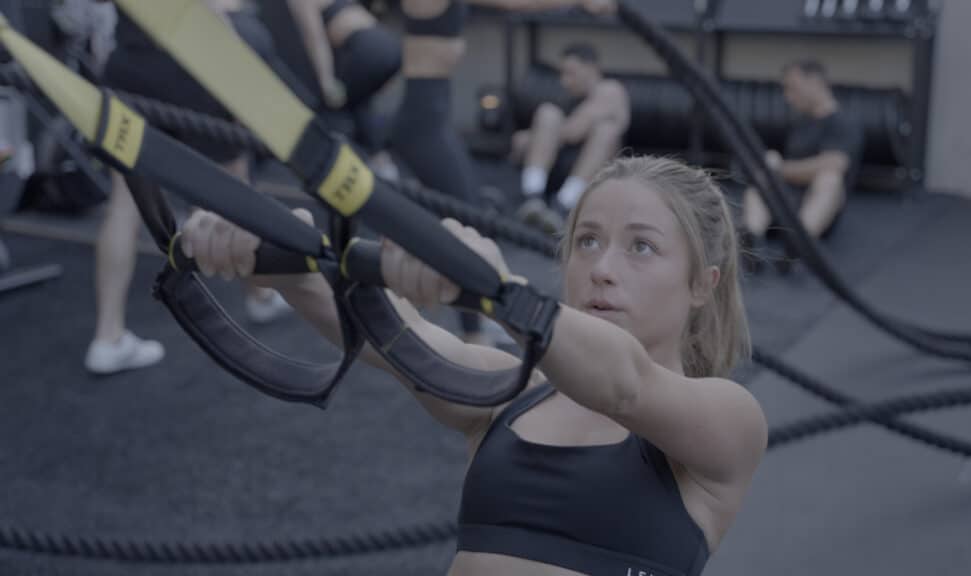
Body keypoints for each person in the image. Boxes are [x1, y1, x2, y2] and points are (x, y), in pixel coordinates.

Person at [179, 155, 767, 575]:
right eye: (587, 241)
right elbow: (393, 331)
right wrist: (272, 253)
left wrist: (499, 292)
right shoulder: (510, 393)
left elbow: (625, 384)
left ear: (701, 285)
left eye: (641, 246)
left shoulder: (727, 420)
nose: (603, 268)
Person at [83, 0, 292, 376]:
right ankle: (259, 296)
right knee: (231, 183)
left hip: (127, 64)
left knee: (124, 201)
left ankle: (107, 336)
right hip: (184, 60)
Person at [390, 0, 615, 346]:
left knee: (467, 215)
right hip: (422, 124)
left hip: (433, 119)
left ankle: (474, 322)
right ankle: (473, 331)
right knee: (467, 219)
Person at [741, 59, 863, 273]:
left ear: (815, 82)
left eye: (793, 88)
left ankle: (799, 243)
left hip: (818, 210)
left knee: (829, 178)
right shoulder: (801, 123)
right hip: (785, 203)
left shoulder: (844, 123)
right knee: (760, 179)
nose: (788, 96)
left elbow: (833, 164)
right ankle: (753, 240)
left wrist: (780, 168)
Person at [513, 42, 630, 234]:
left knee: (605, 131)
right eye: (562, 74)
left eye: (571, 73)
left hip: (595, 179)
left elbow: (575, 131)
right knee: (548, 113)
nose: (564, 81)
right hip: (556, 170)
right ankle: (532, 197)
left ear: (591, 68)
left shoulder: (609, 90)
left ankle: (564, 207)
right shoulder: (569, 98)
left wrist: (532, 137)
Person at [285, 0, 402, 167]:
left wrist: (326, 81)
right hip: (387, 45)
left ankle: (348, 164)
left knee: (332, 109)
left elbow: (315, 39)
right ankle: (380, 160)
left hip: (368, 49)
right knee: (358, 106)